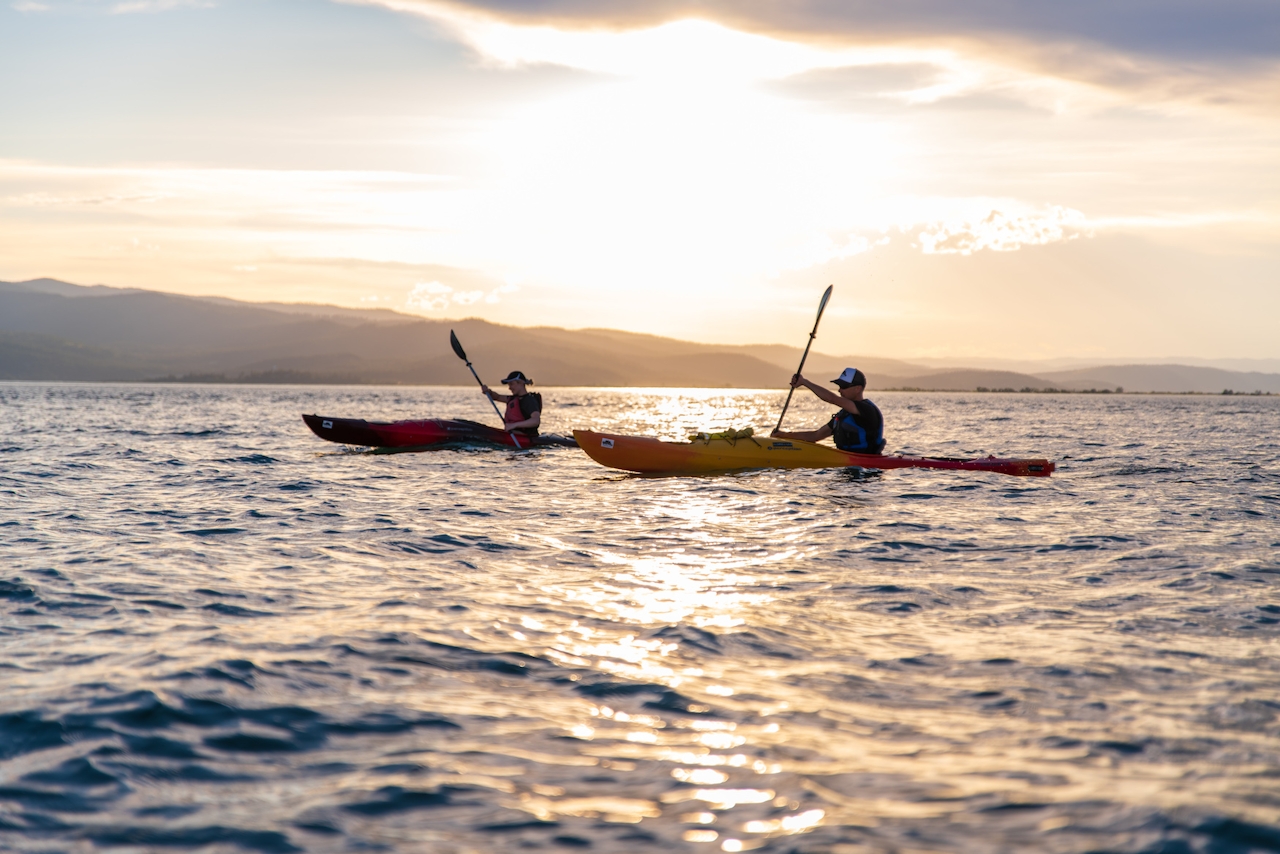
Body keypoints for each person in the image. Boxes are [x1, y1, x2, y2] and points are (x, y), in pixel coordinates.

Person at [771, 367, 886, 454]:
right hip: (848, 469)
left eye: (844, 387)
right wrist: (783, 435)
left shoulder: (867, 410)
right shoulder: (843, 415)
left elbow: (832, 398)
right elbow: (815, 436)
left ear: (858, 389)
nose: (840, 390)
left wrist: (804, 382)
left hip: (867, 471)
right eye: (839, 386)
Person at [480, 370, 541, 437]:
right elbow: (498, 397)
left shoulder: (529, 401)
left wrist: (514, 425)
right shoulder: (513, 399)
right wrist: (488, 392)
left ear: (520, 383)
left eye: (511, 384)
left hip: (526, 437)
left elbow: (536, 420)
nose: (509, 388)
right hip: (514, 434)